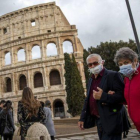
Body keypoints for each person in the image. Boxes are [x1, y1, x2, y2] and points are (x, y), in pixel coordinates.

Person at [78, 53, 125, 140]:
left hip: (112, 120)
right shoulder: (91, 80)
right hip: (99, 121)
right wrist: (82, 118)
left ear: (102, 62)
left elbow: (123, 97)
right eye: (90, 64)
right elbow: (87, 100)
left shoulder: (113, 75)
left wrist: (104, 96)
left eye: (95, 63)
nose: (92, 66)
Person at [114, 47, 140, 132]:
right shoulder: (127, 78)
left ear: (135, 60)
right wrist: (114, 95)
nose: (123, 66)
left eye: (126, 62)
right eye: (120, 64)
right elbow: (129, 98)